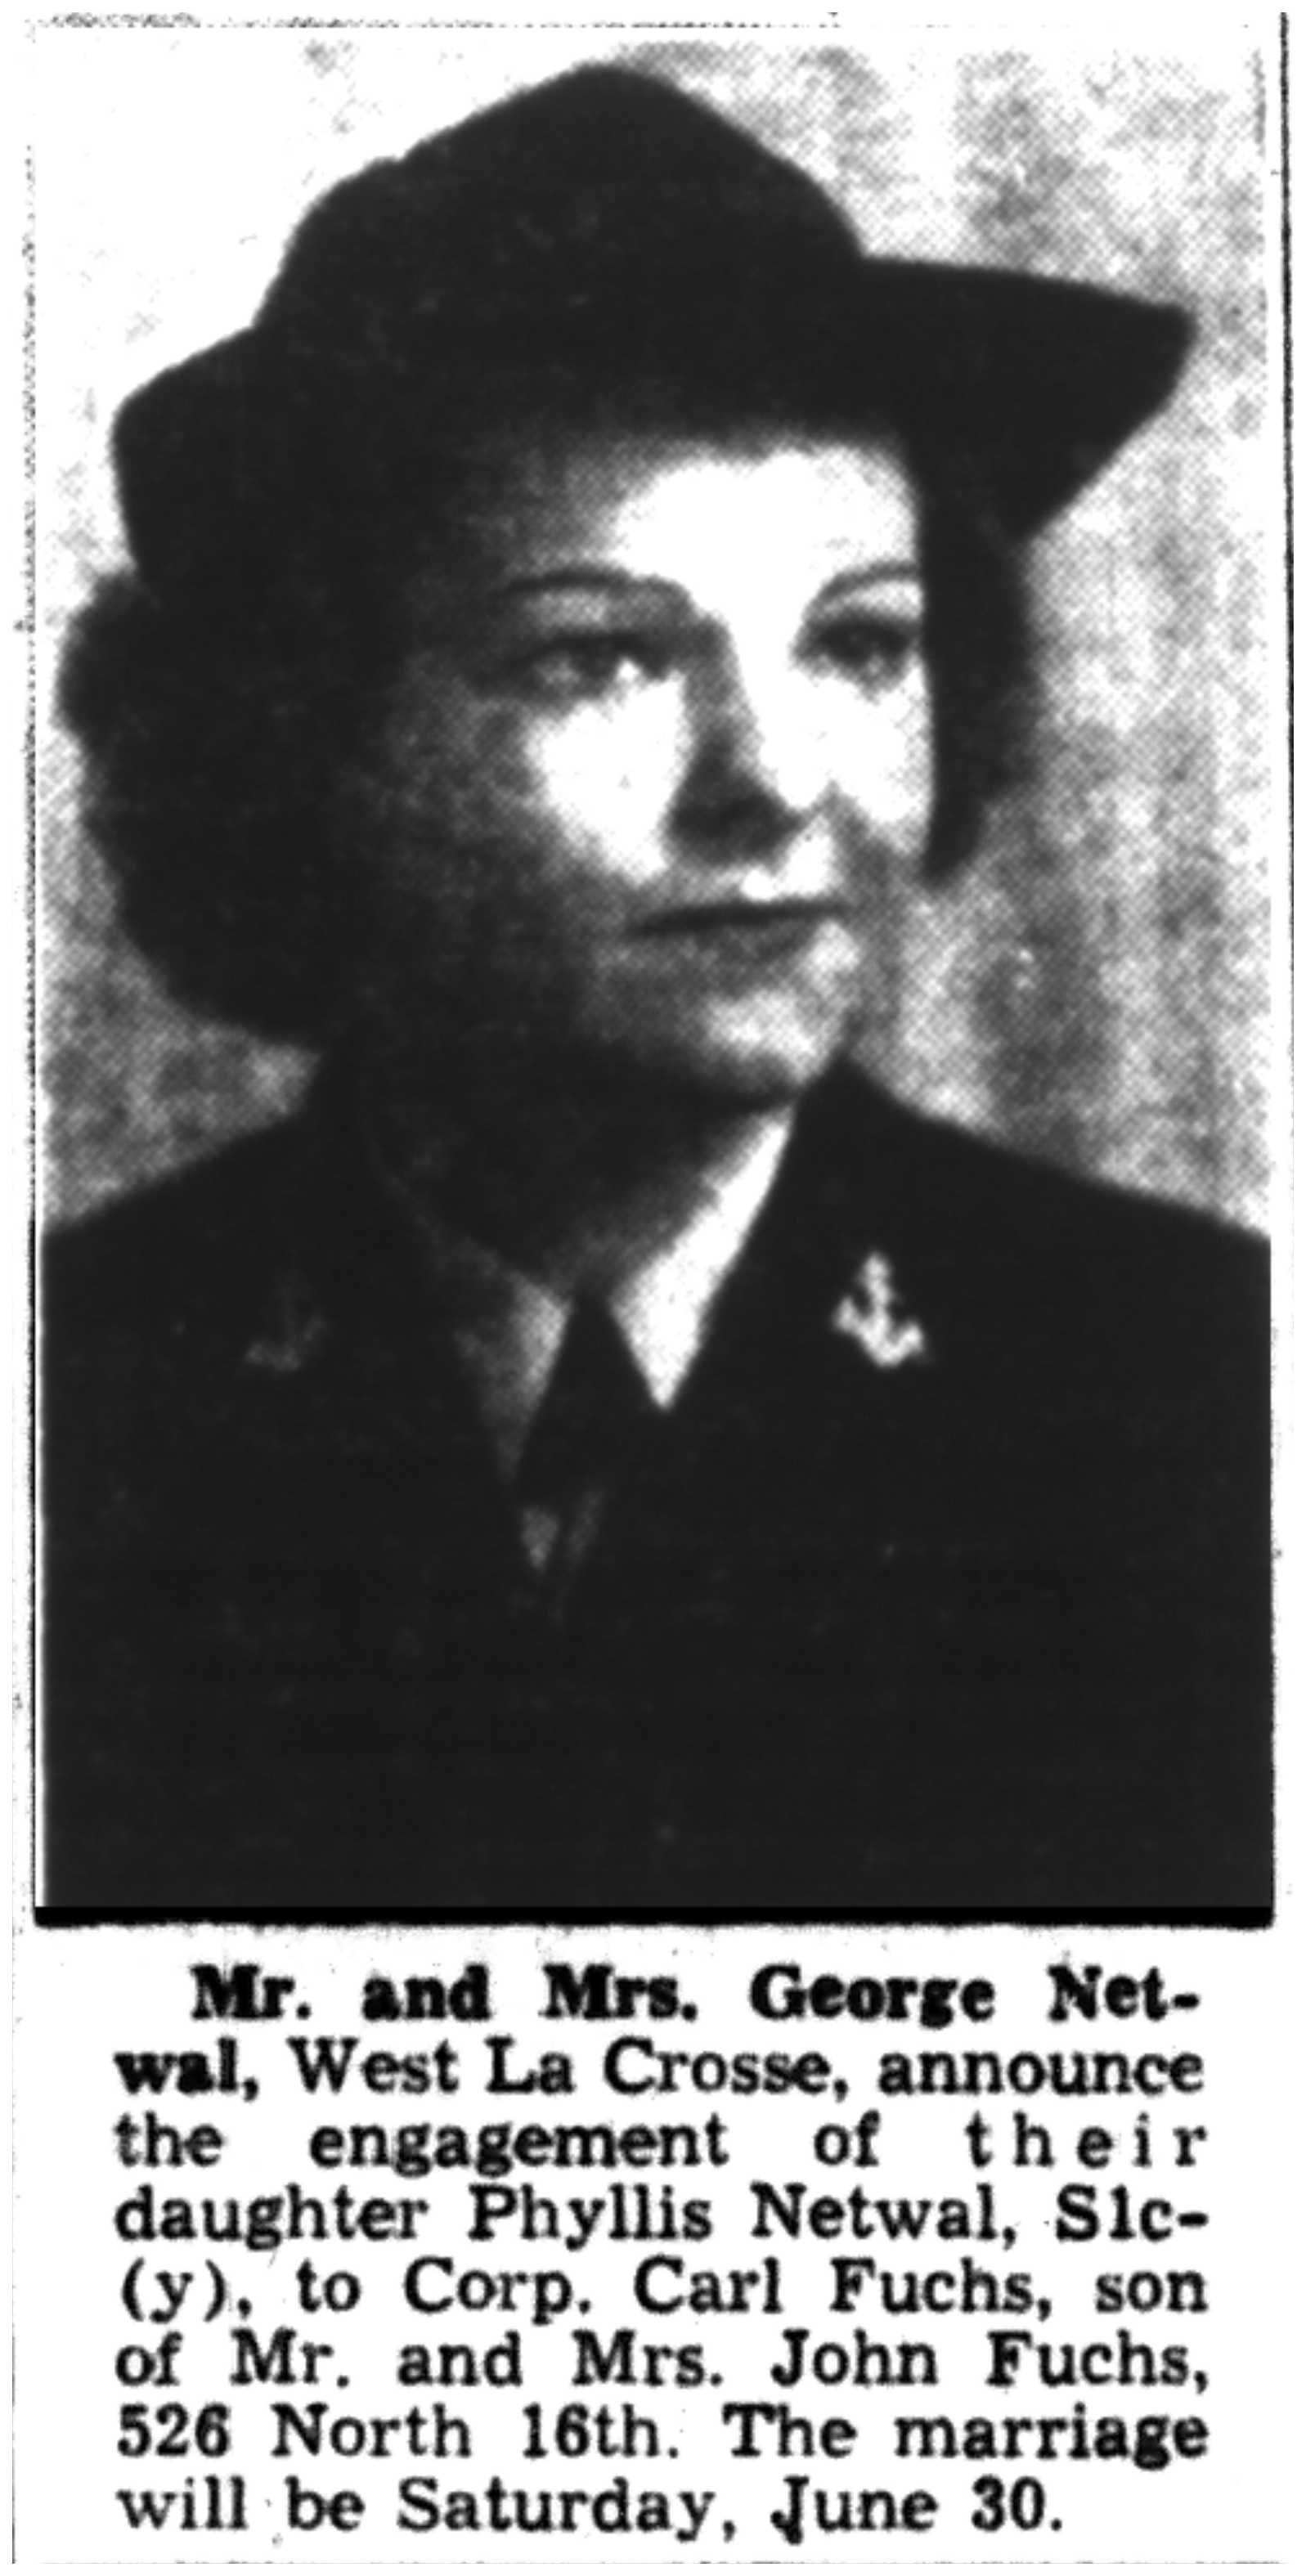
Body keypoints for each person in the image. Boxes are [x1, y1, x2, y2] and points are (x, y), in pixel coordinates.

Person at [42, 63, 1270, 1912]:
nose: (773, 781)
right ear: (310, 741)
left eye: (861, 643)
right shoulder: (75, 1397)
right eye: (600, 658)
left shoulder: (1198, 1393)